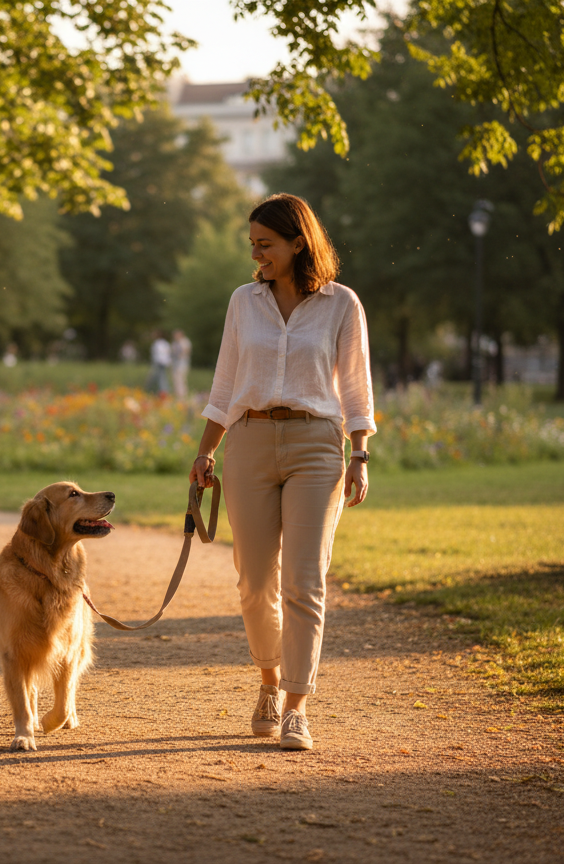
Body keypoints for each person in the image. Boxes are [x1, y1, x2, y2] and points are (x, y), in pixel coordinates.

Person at [189, 193, 376, 752]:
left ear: (299, 243)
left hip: (318, 446)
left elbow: (355, 389)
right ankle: (269, 681)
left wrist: (360, 454)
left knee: (303, 580)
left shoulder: (342, 305)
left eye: (266, 245)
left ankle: (296, 705)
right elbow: (225, 385)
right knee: (253, 582)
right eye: (253, 246)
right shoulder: (243, 303)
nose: (258, 255)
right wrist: (205, 454)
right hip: (247, 443)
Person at [146, 329, 171, 394]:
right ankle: (156, 390)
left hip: (159, 362)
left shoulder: (158, 343)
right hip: (163, 362)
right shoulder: (165, 343)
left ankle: (163, 391)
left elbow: (159, 354)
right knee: (158, 377)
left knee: (161, 377)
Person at [170, 328, 192, 400]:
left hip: (182, 363)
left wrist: (180, 354)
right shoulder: (175, 342)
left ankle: (182, 395)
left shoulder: (185, 341)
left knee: (181, 379)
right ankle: (177, 394)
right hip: (175, 363)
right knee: (175, 379)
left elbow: (187, 351)